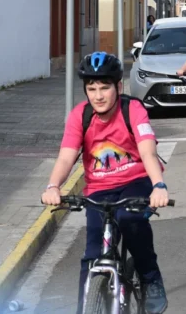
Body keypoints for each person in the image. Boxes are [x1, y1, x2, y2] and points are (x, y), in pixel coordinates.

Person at [41, 52, 170, 313]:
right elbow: (66, 157)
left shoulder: (131, 109)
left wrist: (158, 186)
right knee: (91, 255)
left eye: (104, 88)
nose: (98, 96)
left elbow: (146, 151)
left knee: (129, 220)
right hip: (98, 189)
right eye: (92, 89)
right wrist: (52, 186)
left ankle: (150, 278)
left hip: (135, 181)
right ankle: (85, 307)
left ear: (118, 87)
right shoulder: (80, 115)